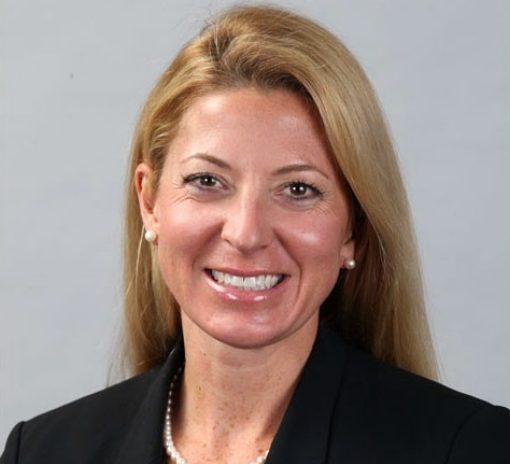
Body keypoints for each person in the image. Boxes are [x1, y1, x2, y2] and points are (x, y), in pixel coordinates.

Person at [1, 5, 508, 464]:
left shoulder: (468, 449)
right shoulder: (43, 451)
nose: (246, 234)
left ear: (353, 228)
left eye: (298, 189)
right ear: (150, 202)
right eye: (207, 181)